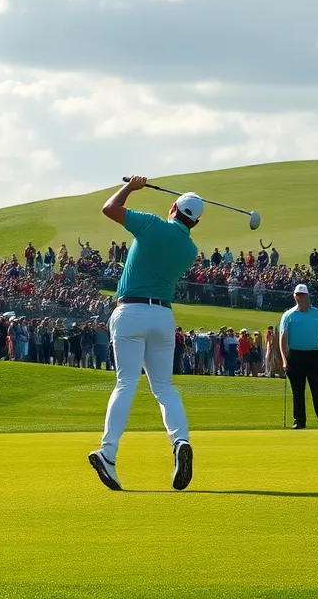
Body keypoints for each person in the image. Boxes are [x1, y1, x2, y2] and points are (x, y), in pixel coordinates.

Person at [88, 176, 196, 492]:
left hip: (131, 312)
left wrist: (131, 188)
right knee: (163, 386)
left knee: (126, 383)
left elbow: (110, 208)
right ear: (196, 221)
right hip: (163, 315)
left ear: (173, 206)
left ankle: (108, 453)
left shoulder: (150, 224)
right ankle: (180, 441)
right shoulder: (189, 248)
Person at [279, 284, 318, 429]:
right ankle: (299, 420)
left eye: (303, 294)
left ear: (308, 296)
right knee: (297, 390)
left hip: (314, 354)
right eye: (298, 294)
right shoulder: (288, 315)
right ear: (294, 296)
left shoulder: (317, 313)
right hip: (295, 355)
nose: (300, 297)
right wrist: (284, 360)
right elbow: (282, 339)